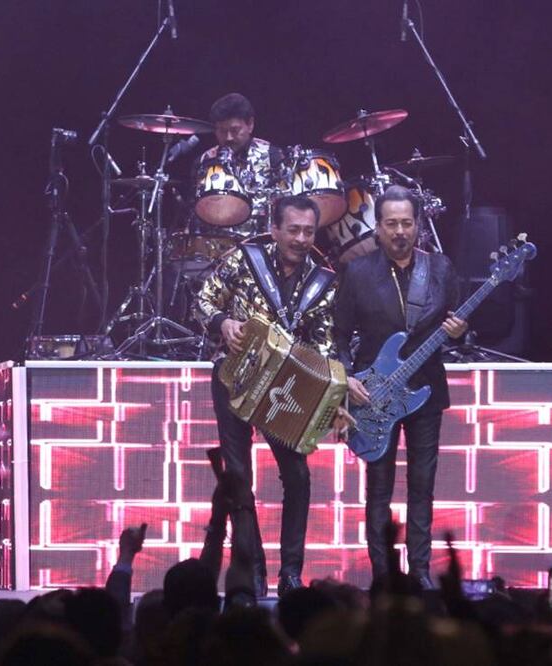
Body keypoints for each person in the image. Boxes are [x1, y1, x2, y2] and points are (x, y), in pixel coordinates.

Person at [194, 194, 338, 597]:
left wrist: (326, 393)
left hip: (286, 392)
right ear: (274, 229)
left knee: (299, 476)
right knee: (239, 479)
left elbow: (325, 346)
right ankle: (251, 570)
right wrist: (223, 322)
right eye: (292, 230)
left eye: (308, 231)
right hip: (234, 380)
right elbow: (203, 299)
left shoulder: (323, 280)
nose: (300, 238)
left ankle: (290, 573)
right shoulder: (244, 259)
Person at [331, 185, 467, 590]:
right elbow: (338, 335)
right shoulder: (357, 272)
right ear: (378, 227)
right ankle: (383, 575)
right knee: (379, 489)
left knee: (422, 486)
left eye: (407, 223)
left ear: (418, 225)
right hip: (373, 395)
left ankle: (421, 572)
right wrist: (346, 379)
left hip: (426, 392)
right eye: (391, 223)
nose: (399, 231)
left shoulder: (440, 268)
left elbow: (457, 330)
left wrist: (459, 333)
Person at [197, 92, 284, 235]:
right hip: (215, 244)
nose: (228, 137)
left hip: (262, 243)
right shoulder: (205, 161)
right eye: (222, 131)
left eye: (234, 130)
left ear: (250, 124)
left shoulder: (272, 156)